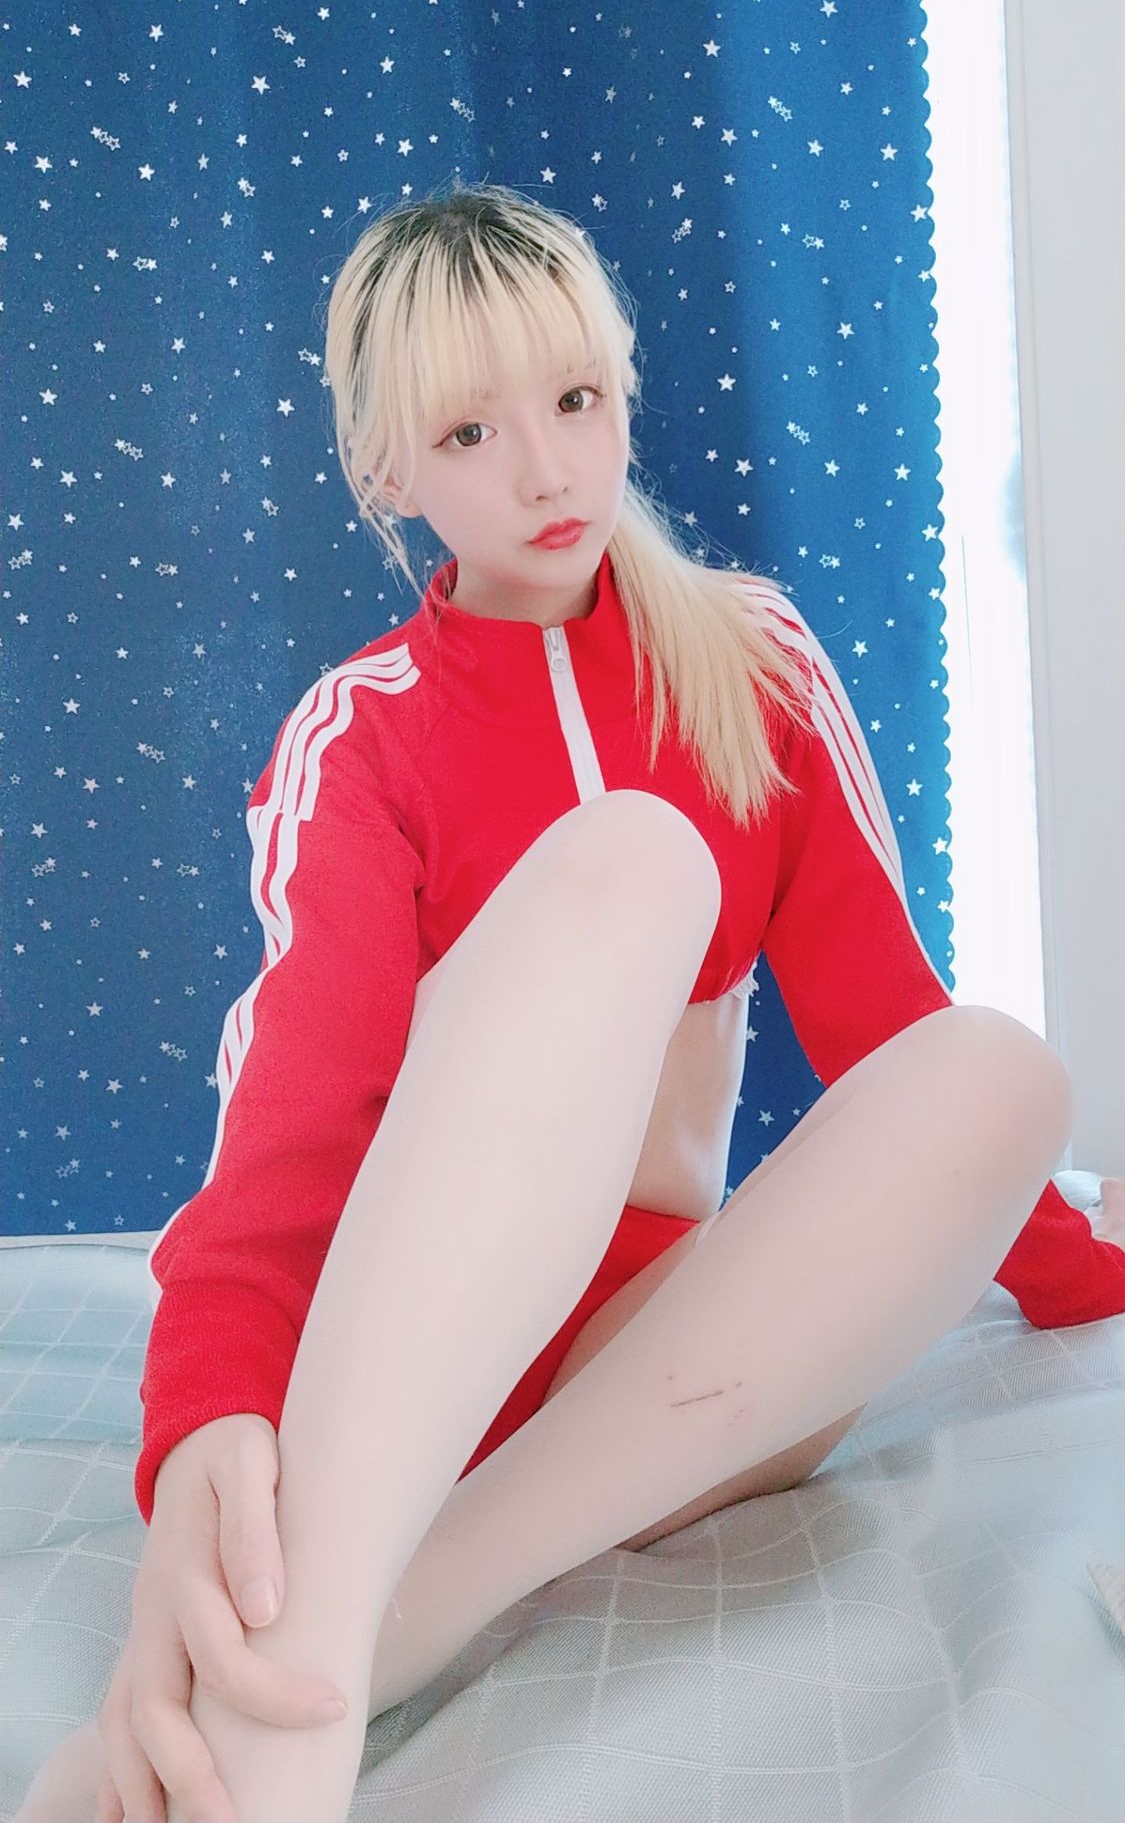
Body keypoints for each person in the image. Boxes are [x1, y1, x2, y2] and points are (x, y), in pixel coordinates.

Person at [17, 184, 1125, 1823]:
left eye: (577, 401)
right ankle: (305, 1686)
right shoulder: (362, 737)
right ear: (386, 472)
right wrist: (204, 1418)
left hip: (659, 1371)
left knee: (997, 1073)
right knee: (633, 859)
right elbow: (292, 1125)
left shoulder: (753, 661)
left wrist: (1082, 1275)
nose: (546, 471)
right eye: (469, 434)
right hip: (403, 1367)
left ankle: (378, 1630)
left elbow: (885, 1022)